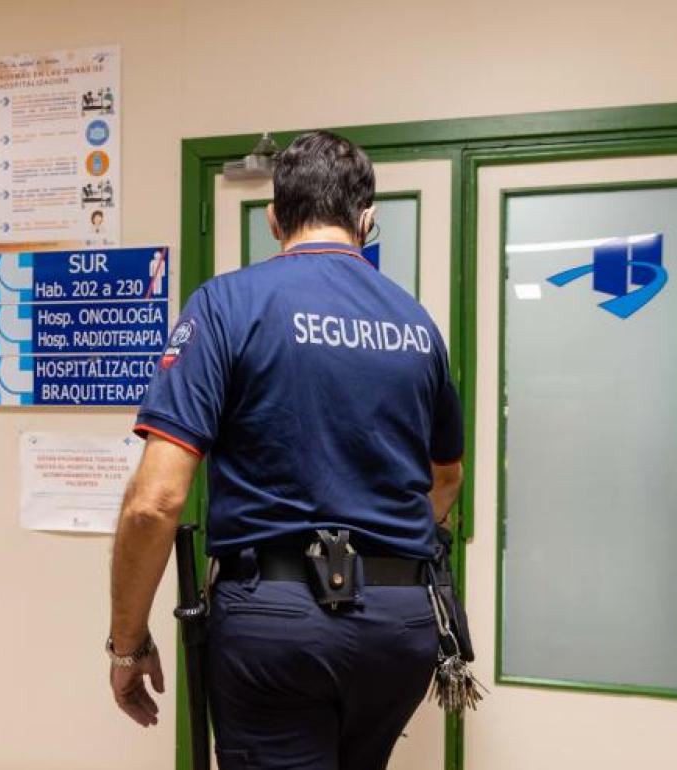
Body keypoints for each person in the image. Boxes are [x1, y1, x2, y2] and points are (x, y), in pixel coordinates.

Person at [107, 131, 465, 769]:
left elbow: (155, 502)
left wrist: (127, 644)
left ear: (274, 219)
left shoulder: (226, 305)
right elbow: (446, 477)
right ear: (367, 219)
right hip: (400, 623)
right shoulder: (417, 324)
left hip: (276, 621)